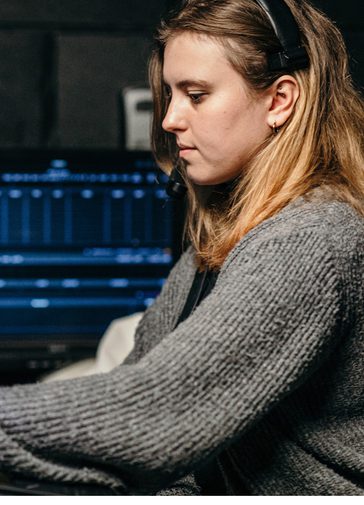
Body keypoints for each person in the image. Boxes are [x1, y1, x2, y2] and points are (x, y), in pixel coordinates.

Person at [0, 0, 363, 496]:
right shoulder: (221, 239)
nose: (170, 118)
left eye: (196, 95)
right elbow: (135, 393)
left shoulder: (312, 239)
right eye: (170, 94)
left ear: (280, 99)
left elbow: (153, 414)